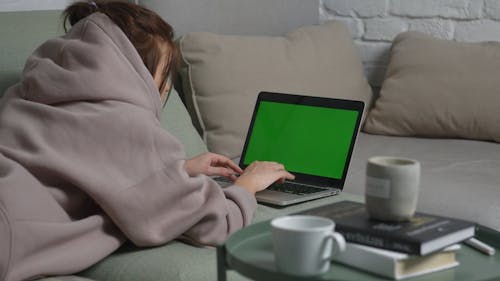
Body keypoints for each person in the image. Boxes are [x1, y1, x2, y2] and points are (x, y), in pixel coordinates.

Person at [0, 1, 294, 280]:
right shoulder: (125, 123)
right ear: (130, 69)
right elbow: (215, 225)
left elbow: (88, 169)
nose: (166, 88)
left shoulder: (25, 96)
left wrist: (176, 170)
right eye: (163, 74)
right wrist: (248, 185)